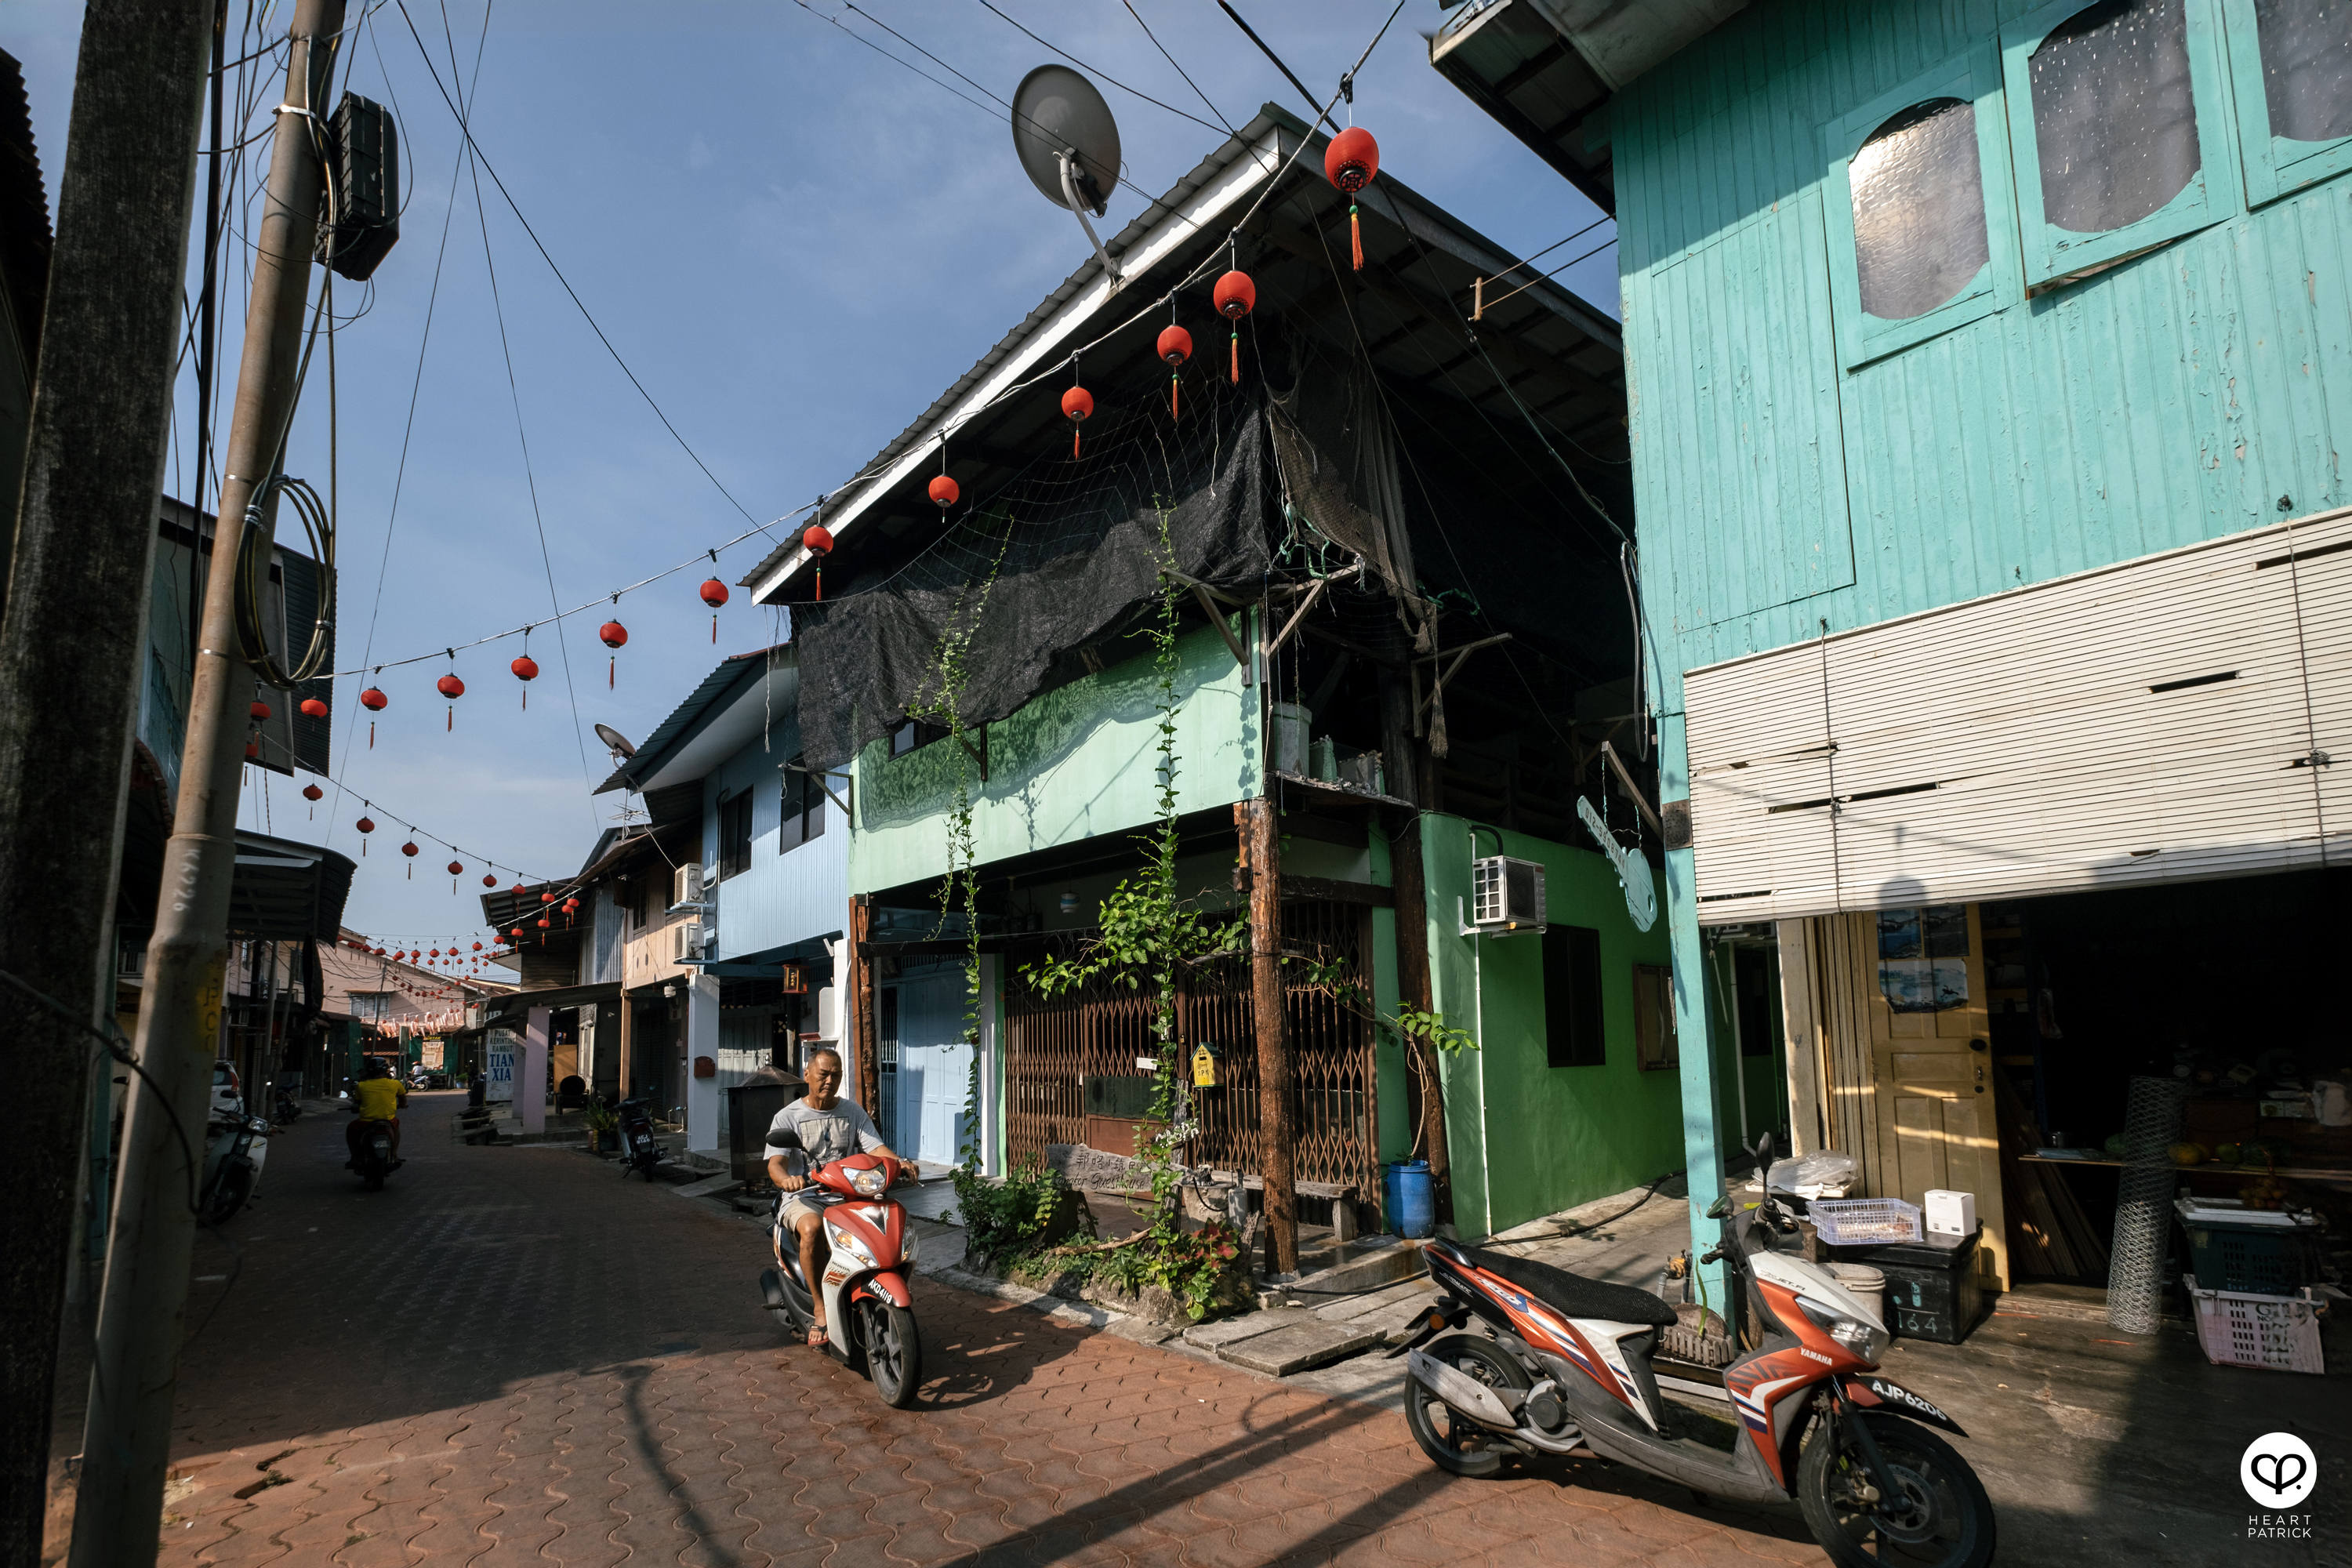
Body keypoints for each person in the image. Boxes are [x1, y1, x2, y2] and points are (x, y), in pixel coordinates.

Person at [765, 1047, 905, 1348]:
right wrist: (787, 1179)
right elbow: (775, 1164)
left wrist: (900, 1163)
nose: (830, 1080)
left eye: (836, 1074)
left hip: (847, 1193)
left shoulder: (853, 1112)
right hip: (803, 1195)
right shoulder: (787, 1117)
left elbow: (876, 1148)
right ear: (807, 1074)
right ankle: (820, 1305)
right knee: (812, 1228)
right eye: (824, 1073)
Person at [347, 1056, 408, 1169]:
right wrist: (402, 1106)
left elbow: (358, 1102)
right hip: (388, 1121)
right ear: (386, 1070)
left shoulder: (362, 1085)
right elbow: (403, 1099)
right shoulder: (395, 1084)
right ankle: (394, 1154)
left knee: (351, 1128)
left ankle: (354, 1158)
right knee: (396, 1128)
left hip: (365, 1122)